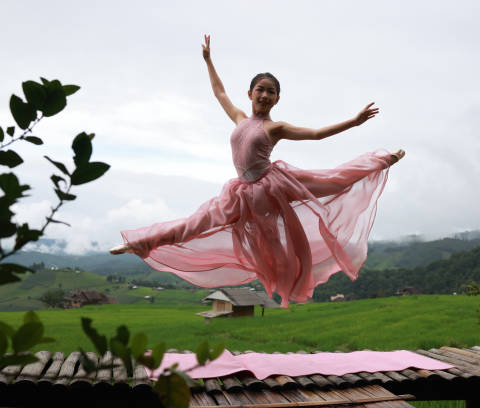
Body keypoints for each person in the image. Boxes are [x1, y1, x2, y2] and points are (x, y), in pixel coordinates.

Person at [110, 35, 404, 307]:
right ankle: (137, 243)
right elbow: (219, 92)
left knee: (329, 183)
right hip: (239, 193)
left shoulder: (275, 127)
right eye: (260, 90)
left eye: (271, 92)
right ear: (250, 93)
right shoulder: (239, 118)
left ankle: (382, 161)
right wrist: (208, 60)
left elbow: (315, 134)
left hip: (272, 187)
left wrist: (353, 122)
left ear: (277, 99)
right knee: (195, 224)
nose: (265, 95)